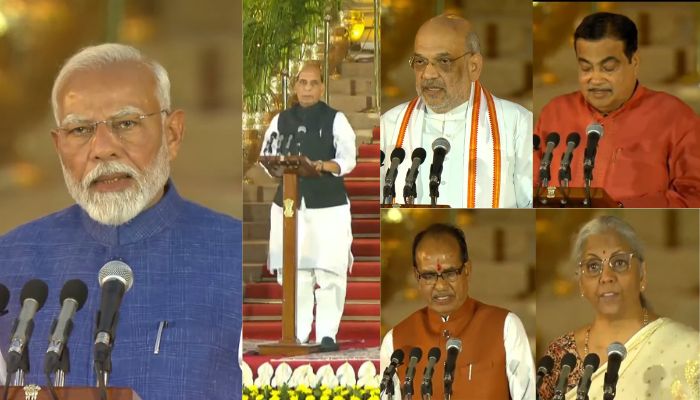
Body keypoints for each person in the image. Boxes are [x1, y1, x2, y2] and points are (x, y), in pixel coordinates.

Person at [0, 44, 242, 398]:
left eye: (126, 123)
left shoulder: (234, 257)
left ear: (172, 134)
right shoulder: (11, 258)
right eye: (80, 130)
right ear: (58, 146)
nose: (102, 148)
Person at [534, 12, 700, 207]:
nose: (595, 79)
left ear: (634, 62)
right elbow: (529, 185)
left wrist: (622, 208)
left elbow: (694, 196)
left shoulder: (675, 117)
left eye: (608, 68)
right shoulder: (556, 112)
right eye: (586, 68)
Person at [380, 14, 532, 208]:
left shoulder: (517, 124)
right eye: (420, 62)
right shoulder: (389, 126)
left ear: (474, 67)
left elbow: (531, 202)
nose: (428, 74)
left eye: (444, 61)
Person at [539, 215, 699, 399]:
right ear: (581, 283)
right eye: (593, 266)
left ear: (642, 274)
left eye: (620, 263)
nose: (606, 276)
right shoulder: (561, 356)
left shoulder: (687, 348)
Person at [259, 62, 356, 351]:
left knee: (328, 273)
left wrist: (325, 165)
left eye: (314, 83)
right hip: (290, 206)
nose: (308, 89)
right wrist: (276, 166)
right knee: (296, 272)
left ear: (322, 87)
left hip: (328, 206)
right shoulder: (281, 119)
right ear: (295, 86)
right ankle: (298, 334)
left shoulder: (335, 119)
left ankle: (327, 334)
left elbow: (348, 157)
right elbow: (267, 154)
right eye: (303, 83)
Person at [380, 223, 535, 399]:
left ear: (467, 269)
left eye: (451, 273)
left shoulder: (505, 327)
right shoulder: (396, 341)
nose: (440, 286)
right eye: (429, 276)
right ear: (417, 276)